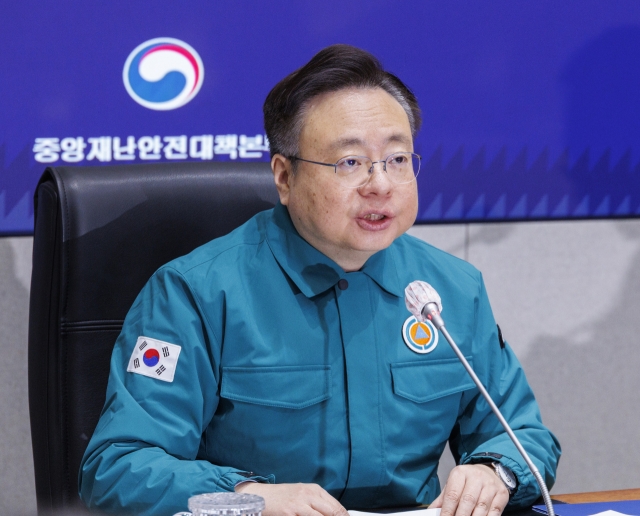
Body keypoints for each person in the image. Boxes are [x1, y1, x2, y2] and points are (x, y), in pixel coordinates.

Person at [79, 44, 560, 516]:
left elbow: (524, 436)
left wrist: (496, 471)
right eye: (349, 162)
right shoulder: (195, 293)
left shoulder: (451, 289)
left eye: (397, 159)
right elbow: (118, 467)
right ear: (284, 177)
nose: (380, 184)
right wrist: (250, 497)